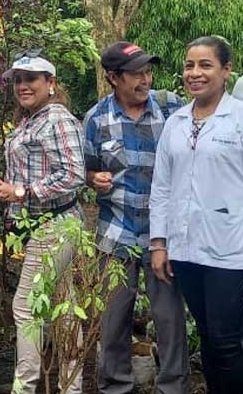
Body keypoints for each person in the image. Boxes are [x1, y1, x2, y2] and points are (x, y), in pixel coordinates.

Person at [83, 42, 189, 394]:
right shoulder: (97, 119)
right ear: (113, 78)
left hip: (165, 235)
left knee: (171, 319)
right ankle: (116, 386)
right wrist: (91, 179)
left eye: (148, 71)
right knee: (113, 320)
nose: (145, 79)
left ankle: (174, 386)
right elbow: (85, 169)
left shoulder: (172, 108)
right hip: (116, 234)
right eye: (136, 73)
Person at [0, 50, 85, 394]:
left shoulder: (57, 119)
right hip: (40, 225)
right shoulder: (31, 118)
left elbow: (74, 175)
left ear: (51, 83)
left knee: (25, 307)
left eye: (31, 79)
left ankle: (24, 388)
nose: (23, 85)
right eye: (18, 80)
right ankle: (70, 387)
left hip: (55, 224)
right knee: (65, 306)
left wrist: (24, 192)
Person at [150, 36, 243, 394]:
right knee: (206, 335)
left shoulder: (237, 118)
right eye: (190, 65)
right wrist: (159, 243)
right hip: (185, 250)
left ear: (226, 70)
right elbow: (161, 187)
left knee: (225, 340)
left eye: (205, 65)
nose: (195, 73)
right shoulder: (175, 122)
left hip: (230, 249)